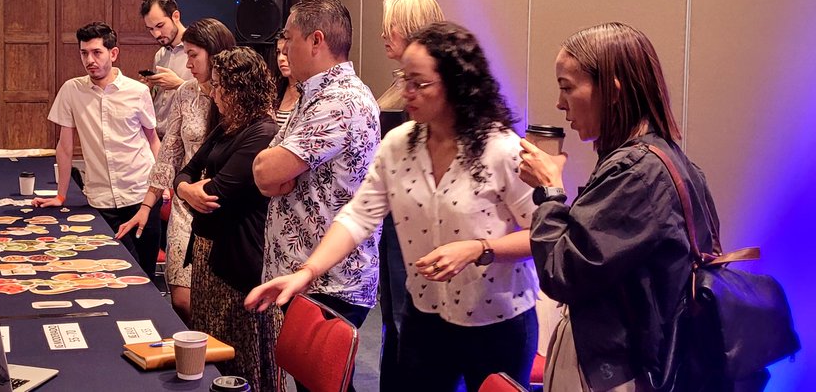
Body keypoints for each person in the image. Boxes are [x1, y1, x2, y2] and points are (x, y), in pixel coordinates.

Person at [248, 21, 539, 392]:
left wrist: (480, 249)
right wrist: (307, 272)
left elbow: (544, 236)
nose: (407, 93)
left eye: (420, 83)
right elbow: (358, 215)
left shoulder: (501, 149)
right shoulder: (399, 145)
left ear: (456, 84)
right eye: (405, 80)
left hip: (498, 320)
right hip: (426, 315)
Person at [517, 22, 728, 391]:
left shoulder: (635, 173)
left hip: (618, 371)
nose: (560, 102)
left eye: (567, 87)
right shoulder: (669, 159)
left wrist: (550, 191)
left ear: (612, 90)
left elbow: (562, 273)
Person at [251, 0, 380, 392]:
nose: (283, 48)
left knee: (325, 386)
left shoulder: (340, 101)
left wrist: (277, 173)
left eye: (288, 37)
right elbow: (265, 171)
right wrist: (276, 172)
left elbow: (266, 170)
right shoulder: (312, 94)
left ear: (316, 40)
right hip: (308, 275)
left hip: (331, 280)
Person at [116, 18, 237, 324]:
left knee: (216, 303)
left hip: (223, 208)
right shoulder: (186, 93)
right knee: (182, 301)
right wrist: (148, 204)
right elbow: (169, 152)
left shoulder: (238, 95)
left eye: (194, 54)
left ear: (216, 53)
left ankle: (210, 363)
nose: (188, 62)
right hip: (185, 205)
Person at [175, 47, 281, 392]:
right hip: (208, 253)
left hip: (238, 260)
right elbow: (185, 172)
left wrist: (188, 190)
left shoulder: (261, 131)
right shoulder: (227, 127)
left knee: (242, 355)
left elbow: (218, 195)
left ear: (241, 90)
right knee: (214, 345)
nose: (214, 93)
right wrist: (187, 191)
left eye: (221, 86)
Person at [33, 22, 162, 274]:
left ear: (113, 54)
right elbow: (65, 146)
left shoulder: (138, 91)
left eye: (96, 52)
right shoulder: (72, 90)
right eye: (84, 53)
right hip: (100, 199)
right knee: (108, 272)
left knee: (144, 275)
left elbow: (152, 139)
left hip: (140, 194)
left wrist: (162, 184)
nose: (89, 60)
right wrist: (61, 195)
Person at [374, 0, 446, 391]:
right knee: (393, 323)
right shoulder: (399, 87)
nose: (385, 36)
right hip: (390, 220)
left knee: (407, 322)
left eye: (392, 28)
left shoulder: (419, 98)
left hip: (412, 224)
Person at [140, 0, 191, 138]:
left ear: (175, 16)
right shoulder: (160, 55)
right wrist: (149, 88)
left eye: (160, 25)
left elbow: (211, 94)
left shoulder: (198, 50)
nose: (156, 34)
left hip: (185, 136)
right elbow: (161, 97)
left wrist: (179, 84)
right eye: (151, 29)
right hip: (158, 134)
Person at [272, 37, 299, 128]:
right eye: (278, 52)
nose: (281, 58)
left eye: (286, 53)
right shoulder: (274, 89)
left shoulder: (311, 90)